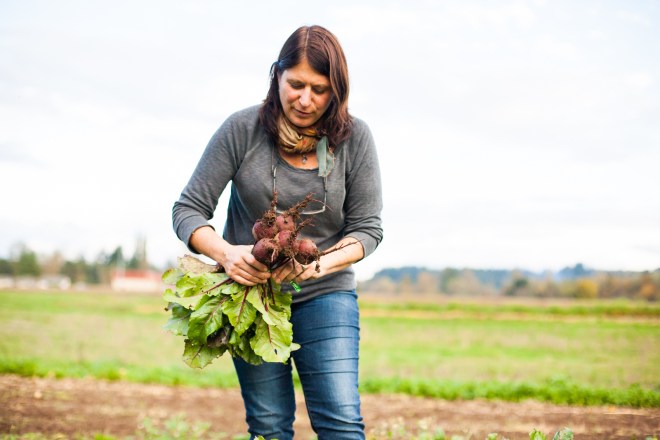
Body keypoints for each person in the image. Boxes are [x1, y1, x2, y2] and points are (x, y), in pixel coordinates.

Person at [172, 24, 383, 440]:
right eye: (296, 84)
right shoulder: (242, 129)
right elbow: (188, 210)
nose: (305, 100)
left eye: (319, 89)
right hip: (252, 298)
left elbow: (368, 229)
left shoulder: (355, 139)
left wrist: (321, 263)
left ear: (337, 90)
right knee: (268, 425)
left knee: (341, 423)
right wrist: (227, 255)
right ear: (277, 77)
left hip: (327, 295)